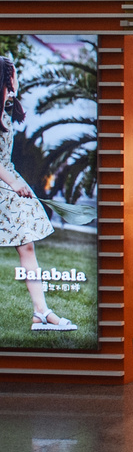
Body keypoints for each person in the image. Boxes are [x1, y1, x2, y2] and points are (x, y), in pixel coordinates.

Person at [0, 58, 75, 332]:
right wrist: (12, 182)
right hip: (5, 182)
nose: (17, 78)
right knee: (26, 245)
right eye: (14, 74)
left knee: (27, 245)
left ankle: (40, 313)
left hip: (7, 182)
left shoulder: (6, 110)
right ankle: (42, 313)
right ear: (6, 78)